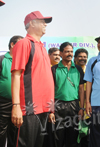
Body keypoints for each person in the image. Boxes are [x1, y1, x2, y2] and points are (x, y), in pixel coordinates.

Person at [11, 11, 54, 147]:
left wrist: (51, 109)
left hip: (43, 109)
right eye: (42, 22)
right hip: (28, 108)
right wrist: (16, 106)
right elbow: (16, 75)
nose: (45, 25)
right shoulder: (24, 44)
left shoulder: (42, 47)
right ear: (32, 24)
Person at [50, 42, 85, 147]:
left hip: (74, 106)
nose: (69, 54)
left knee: (72, 137)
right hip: (58, 106)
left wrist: (81, 108)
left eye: (71, 51)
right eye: (66, 52)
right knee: (58, 137)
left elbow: (81, 89)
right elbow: (50, 90)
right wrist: (51, 111)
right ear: (61, 53)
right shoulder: (54, 69)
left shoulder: (78, 69)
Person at [0, 35, 23, 147]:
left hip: (20, 104)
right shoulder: (1, 59)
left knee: (15, 134)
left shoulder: (24, 62)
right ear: (12, 44)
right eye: (20, 44)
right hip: (3, 103)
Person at [74, 48, 89, 147]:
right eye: (80, 56)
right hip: (74, 107)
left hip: (87, 108)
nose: (82, 59)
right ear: (75, 58)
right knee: (74, 135)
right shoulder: (72, 70)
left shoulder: (89, 70)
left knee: (86, 136)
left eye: (84, 57)